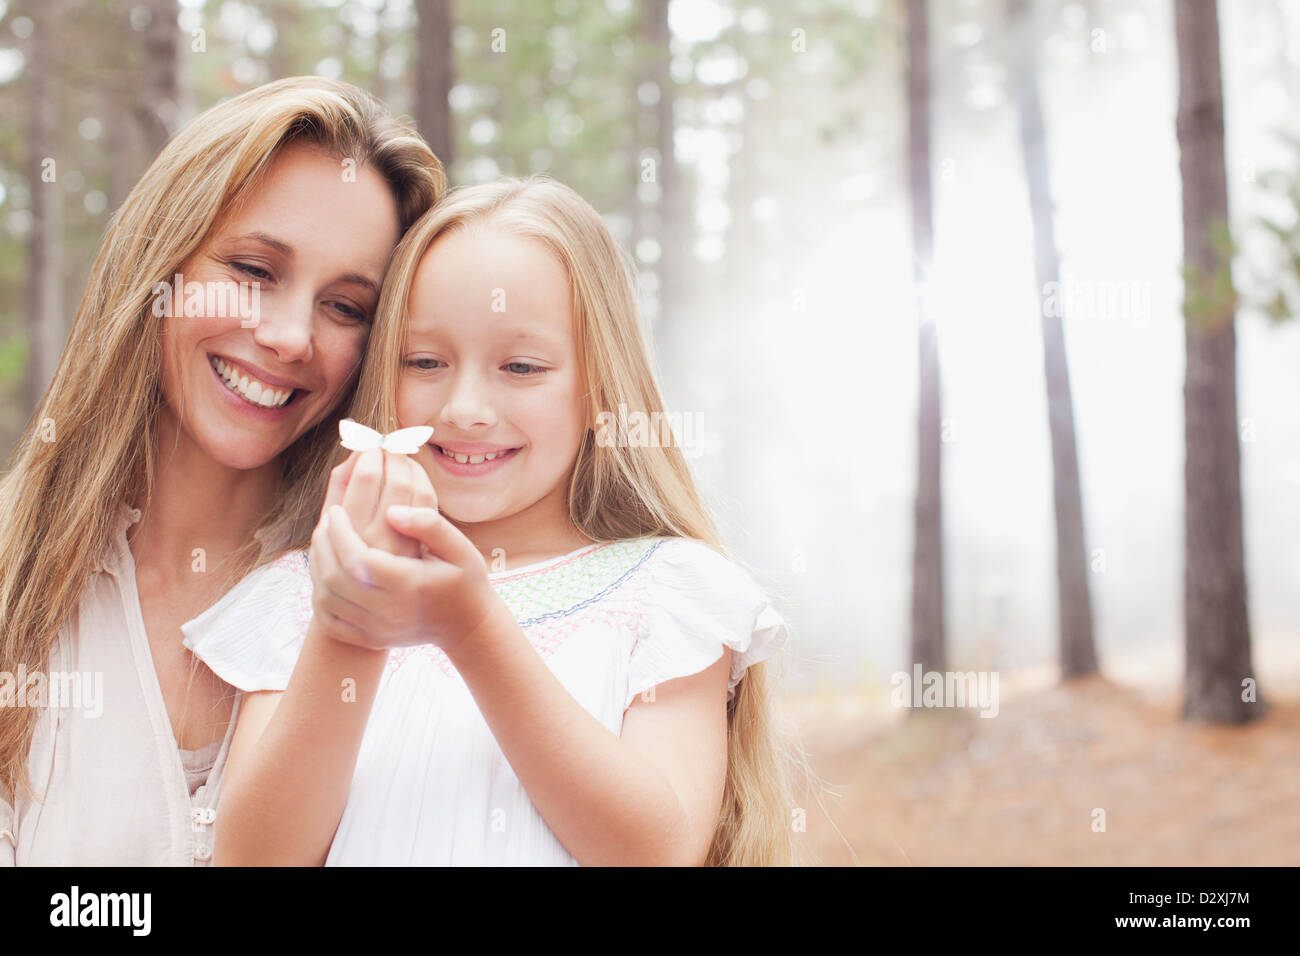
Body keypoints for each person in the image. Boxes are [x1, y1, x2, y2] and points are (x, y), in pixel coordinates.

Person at [207, 176, 805, 866]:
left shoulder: (666, 594)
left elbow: (655, 850)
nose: (465, 408)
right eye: (425, 361)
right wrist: (349, 629)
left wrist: (473, 630)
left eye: (521, 366)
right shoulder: (303, 593)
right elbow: (254, 858)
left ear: (598, 387)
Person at [0, 76, 445, 865]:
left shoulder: (416, 611)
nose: (288, 337)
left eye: (346, 307)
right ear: (159, 264)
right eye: (253, 270)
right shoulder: (13, 567)